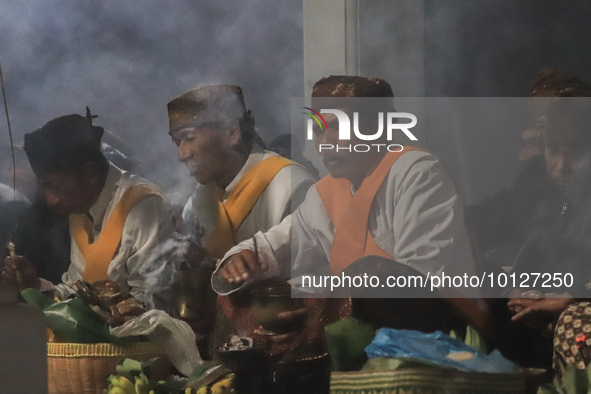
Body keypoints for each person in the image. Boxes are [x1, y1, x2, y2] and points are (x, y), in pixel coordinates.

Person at [213, 76, 489, 364]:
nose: (325, 142)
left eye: (338, 128)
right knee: (241, 294)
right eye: (318, 129)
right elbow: (276, 246)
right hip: (361, 330)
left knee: (374, 271)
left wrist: (315, 310)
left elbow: (414, 285)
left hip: (440, 332)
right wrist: (242, 259)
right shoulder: (325, 193)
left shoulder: (416, 173)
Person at [167, 84, 316, 361]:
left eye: (189, 138)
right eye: (177, 143)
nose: (182, 154)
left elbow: (315, 280)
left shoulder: (290, 184)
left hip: (286, 356)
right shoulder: (198, 202)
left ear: (231, 132)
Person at [0, 111, 178, 308]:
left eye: (55, 185)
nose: (51, 200)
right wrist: (35, 286)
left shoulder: (145, 206)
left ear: (90, 174)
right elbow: (76, 293)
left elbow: (153, 303)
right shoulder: (81, 211)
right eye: (45, 188)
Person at [503, 96, 591, 374]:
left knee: (574, 322)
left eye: (575, 153)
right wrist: (523, 293)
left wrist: (572, 298)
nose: (561, 165)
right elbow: (531, 259)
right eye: (553, 151)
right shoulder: (553, 203)